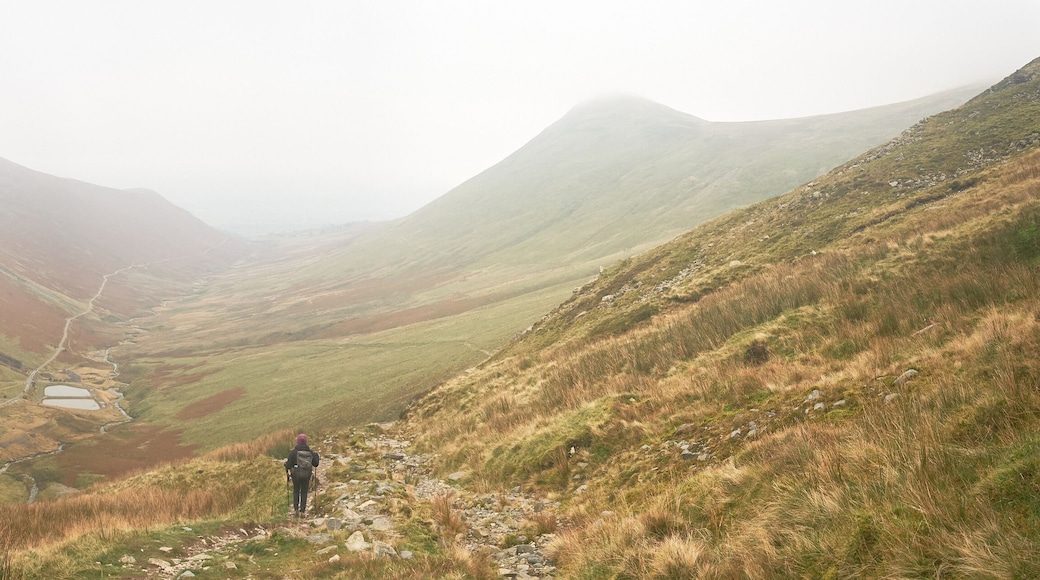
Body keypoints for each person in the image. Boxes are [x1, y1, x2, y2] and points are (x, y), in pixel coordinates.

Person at [284, 433, 319, 516]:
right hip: (307, 475)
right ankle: (302, 511)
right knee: (304, 491)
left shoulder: (293, 452)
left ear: (298, 441)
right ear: (306, 441)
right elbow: (316, 464)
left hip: (296, 475)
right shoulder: (310, 452)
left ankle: (296, 509)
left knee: (296, 490)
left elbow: (288, 465)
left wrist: (286, 465)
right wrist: (316, 456)